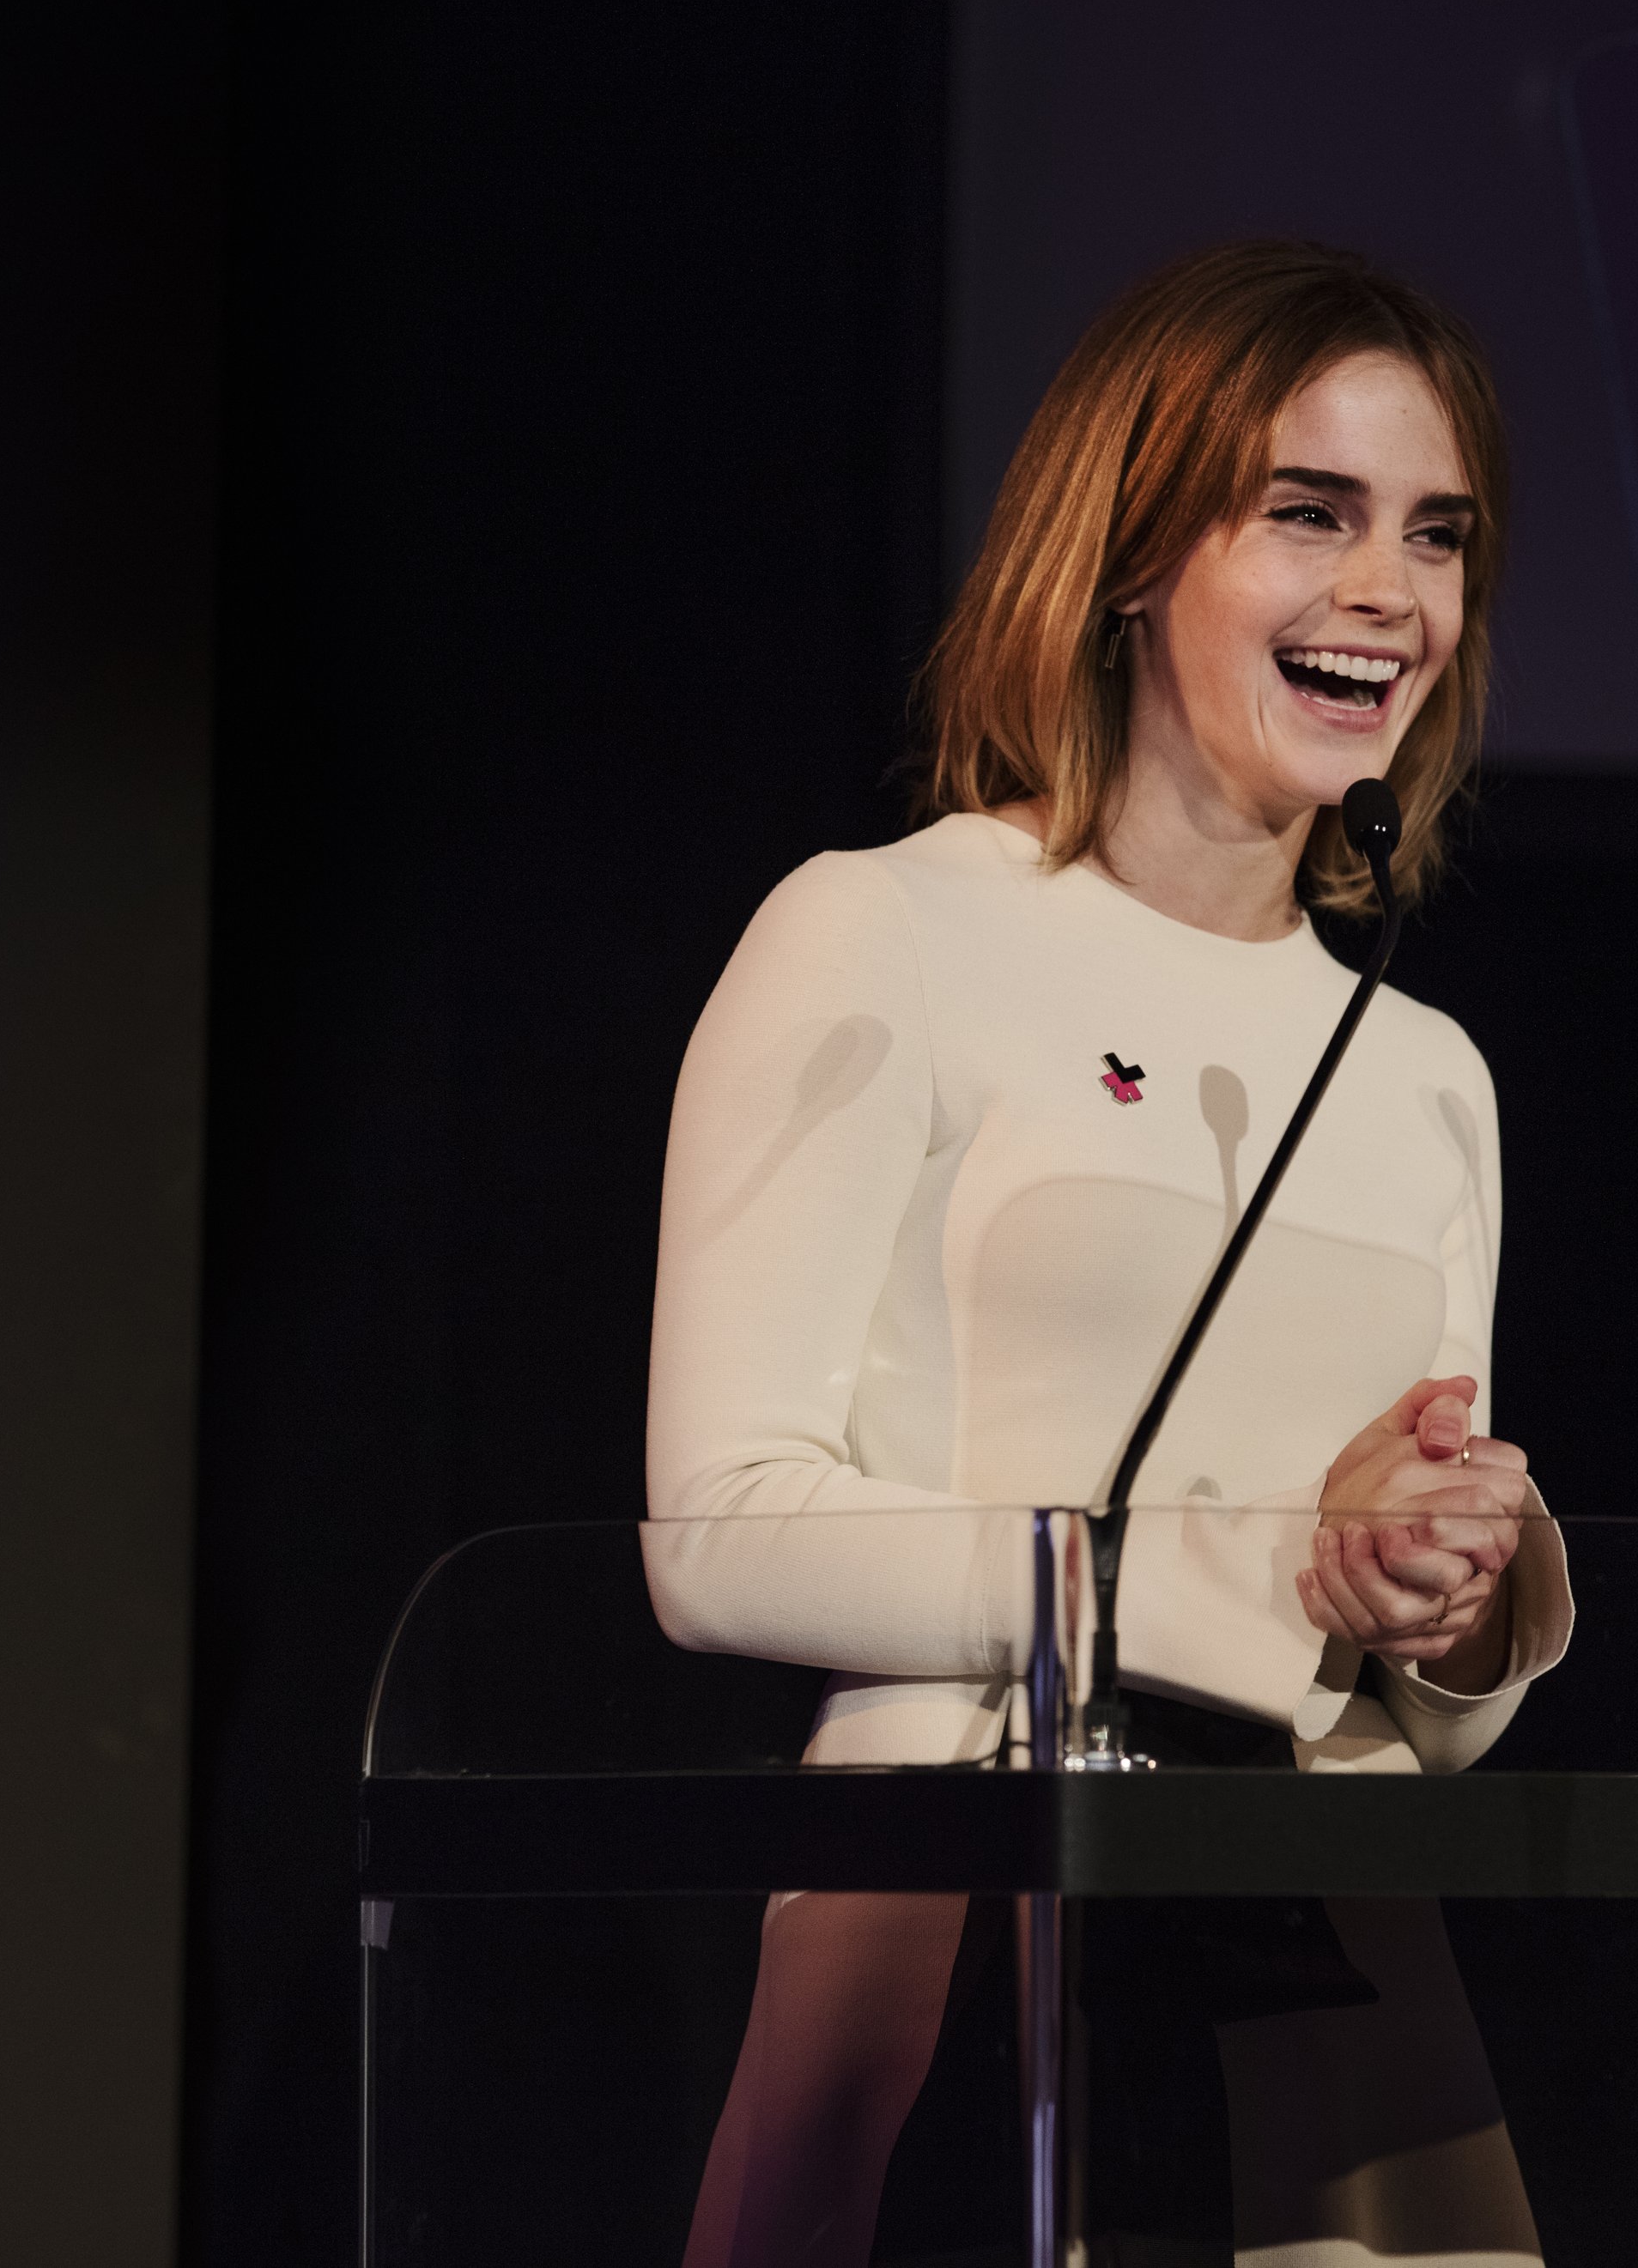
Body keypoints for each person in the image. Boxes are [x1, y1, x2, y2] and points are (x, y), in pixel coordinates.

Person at [646, 240, 1575, 2268]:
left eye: (1434, 534)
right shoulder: (886, 929)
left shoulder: (1420, 1066)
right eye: (1309, 511)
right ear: (1133, 547)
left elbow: (1432, 1708)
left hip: (1331, 1941)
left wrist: (1444, 1591)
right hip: (969, 1885)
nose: (1388, 591)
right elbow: (715, 1529)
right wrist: (1254, 1574)